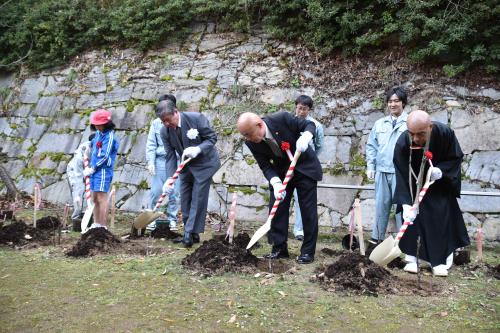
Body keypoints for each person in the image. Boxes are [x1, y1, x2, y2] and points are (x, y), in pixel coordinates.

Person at [237, 111, 322, 264]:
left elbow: (309, 124)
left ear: (259, 125)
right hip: (282, 173)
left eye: (249, 134)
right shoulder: (251, 142)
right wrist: (275, 183)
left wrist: (306, 136)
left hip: (305, 168)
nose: (248, 139)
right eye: (245, 136)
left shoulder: (281, 119)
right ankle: (279, 248)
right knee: (277, 209)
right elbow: (264, 165)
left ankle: (307, 252)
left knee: (307, 211)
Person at [393, 110, 470, 276]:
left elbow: (455, 157)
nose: (416, 139)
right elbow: (400, 171)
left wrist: (441, 171)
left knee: (439, 219)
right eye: (412, 134)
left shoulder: (445, 133)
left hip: (439, 186)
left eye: (420, 134)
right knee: (413, 221)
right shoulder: (403, 141)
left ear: (430, 127)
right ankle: (412, 258)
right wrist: (406, 203)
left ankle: (439, 262)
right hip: (413, 188)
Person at [157, 99, 221, 247]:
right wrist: (169, 179)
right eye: (162, 121)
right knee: (185, 196)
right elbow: (170, 155)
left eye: (168, 120)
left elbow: (212, 138)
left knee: (198, 196)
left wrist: (198, 149)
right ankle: (193, 233)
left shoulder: (196, 119)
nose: (166, 124)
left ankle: (188, 233)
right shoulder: (164, 131)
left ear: (176, 112)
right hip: (186, 165)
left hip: (206, 163)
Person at [365, 87, 408, 245]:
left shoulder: (410, 123)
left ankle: (402, 241)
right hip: (382, 171)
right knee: (381, 206)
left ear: (403, 103)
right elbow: (371, 146)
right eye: (390, 101)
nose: (392, 104)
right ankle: (377, 238)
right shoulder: (380, 123)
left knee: (401, 208)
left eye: (396, 101)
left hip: (401, 173)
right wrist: (371, 166)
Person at [145, 94, 180, 231]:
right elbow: (151, 144)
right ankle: (152, 217)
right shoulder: (155, 124)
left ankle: (172, 219)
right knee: (156, 191)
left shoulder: (178, 122)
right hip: (160, 161)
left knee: (175, 193)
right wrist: (150, 162)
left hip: (176, 161)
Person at [292, 95, 324, 241]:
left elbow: (319, 146)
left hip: (305, 168)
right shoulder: (289, 122)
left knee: (301, 200)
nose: (301, 112)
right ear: (295, 107)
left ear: (309, 110)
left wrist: (309, 159)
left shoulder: (316, 126)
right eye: (299, 108)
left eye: (305, 109)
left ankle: (299, 230)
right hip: (288, 164)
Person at [83, 109, 119, 230]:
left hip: (103, 170)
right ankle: (96, 223)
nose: (97, 126)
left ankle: (102, 226)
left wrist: (93, 168)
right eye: (96, 124)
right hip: (94, 169)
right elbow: (94, 143)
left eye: (99, 123)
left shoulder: (109, 137)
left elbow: (104, 156)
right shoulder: (99, 133)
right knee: (93, 198)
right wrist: (89, 145)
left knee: (101, 197)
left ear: (106, 123)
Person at [66, 133, 95, 222]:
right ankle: (76, 217)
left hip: (87, 169)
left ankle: (87, 213)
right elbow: (78, 174)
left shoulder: (98, 147)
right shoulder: (80, 154)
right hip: (75, 171)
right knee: (78, 190)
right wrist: (84, 173)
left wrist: (91, 170)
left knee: (91, 191)